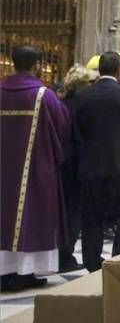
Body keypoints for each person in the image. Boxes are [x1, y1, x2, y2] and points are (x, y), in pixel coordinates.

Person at [1, 46, 71, 292]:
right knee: (31, 216)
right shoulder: (44, 95)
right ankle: (25, 272)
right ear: (38, 65)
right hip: (34, 172)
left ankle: (4, 271)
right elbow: (62, 129)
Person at [73, 52, 120, 271]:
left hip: (90, 165)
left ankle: (91, 263)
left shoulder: (83, 96)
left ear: (99, 70)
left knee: (91, 216)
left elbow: (76, 131)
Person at [58, 65, 98, 273]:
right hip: (79, 163)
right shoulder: (85, 104)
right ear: (82, 84)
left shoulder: (62, 103)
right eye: (90, 83)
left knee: (63, 209)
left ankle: (60, 253)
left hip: (62, 162)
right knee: (75, 211)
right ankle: (65, 255)